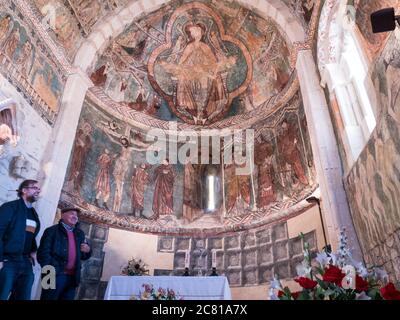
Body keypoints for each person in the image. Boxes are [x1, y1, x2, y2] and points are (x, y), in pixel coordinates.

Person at [37, 207, 91, 300]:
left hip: (72, 277)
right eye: (72, 214)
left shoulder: (80, 233)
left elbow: (83, 256)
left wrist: (88, 251)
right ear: (62, 215)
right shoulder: (51, 231)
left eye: (76, 215)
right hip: (51, 274)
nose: (75, 216)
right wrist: (49, 272)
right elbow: (42, 254)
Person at [0, 179, 41, 300]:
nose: (38, 190)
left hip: (25, 263)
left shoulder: (34, 214)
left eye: (38, 189)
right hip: (8, 261)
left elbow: (29, 235)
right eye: (34, 188)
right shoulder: (9, 207)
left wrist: (33, 250)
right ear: (24, 190)